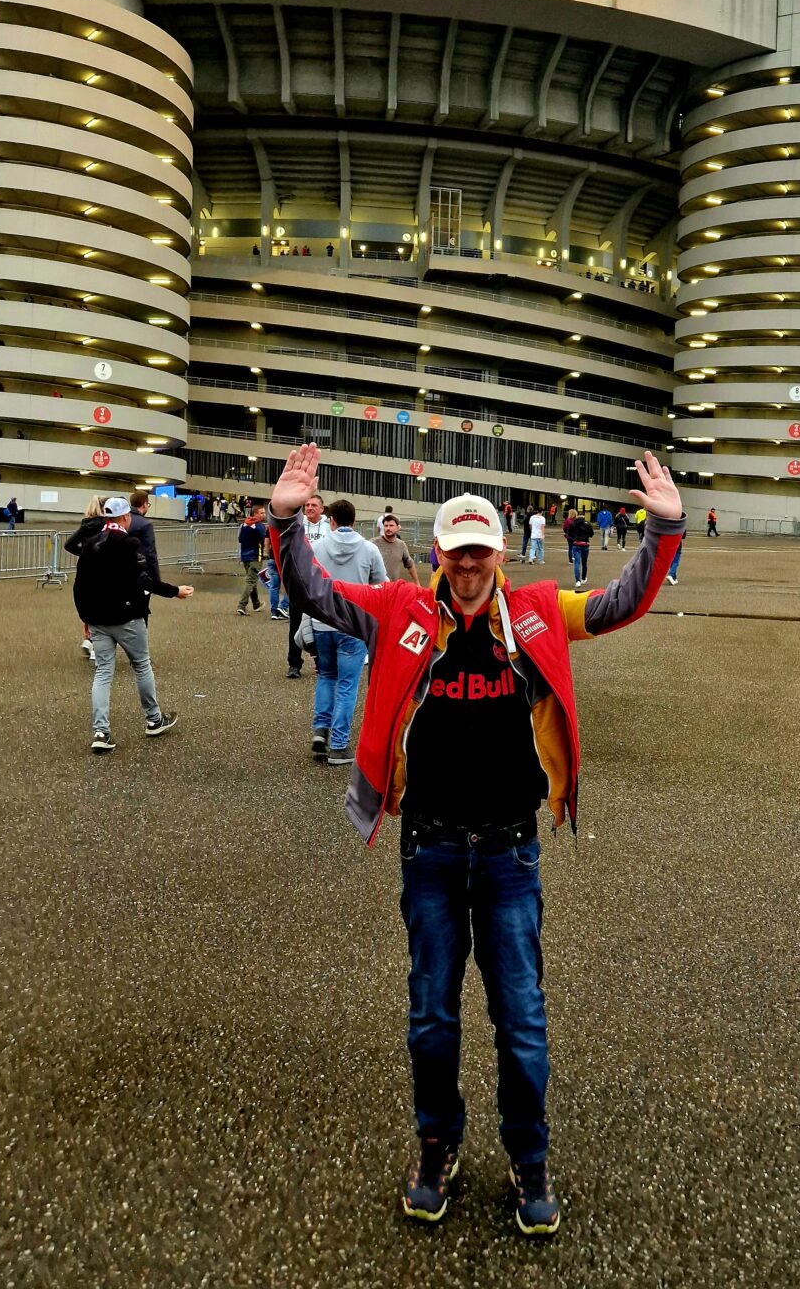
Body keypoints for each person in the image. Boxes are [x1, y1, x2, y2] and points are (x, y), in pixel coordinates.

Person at [267, 444, 686, 1237]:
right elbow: (310, 590)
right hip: (427, 847)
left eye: (480, 553)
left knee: (521, 1017)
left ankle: (529, 1157)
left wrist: (663, 532)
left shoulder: (534, 612)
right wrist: (287, 519)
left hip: (509, 852)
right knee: (431, 1016)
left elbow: (618, 603)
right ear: (440, 554)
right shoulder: (400, 611)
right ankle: (438, 1147)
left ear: (498, 553)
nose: (467, 566)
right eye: (456, 553)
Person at [72, 495, 192, 752]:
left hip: (97, 618)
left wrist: (85, 616)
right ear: (126, 517)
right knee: (141, 665)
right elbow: (143, 580)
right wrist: (175, 591)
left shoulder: (91, 544)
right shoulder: (129, 543)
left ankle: (101, 732)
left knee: (103, 672)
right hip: (127, 617)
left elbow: (79, 584)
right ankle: (153, 719)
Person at [302, 498, 386, 764]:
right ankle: (339, 746)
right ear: (354, 521)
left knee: (326, 676)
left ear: (332, 520)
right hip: (353, 624)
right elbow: (382, 586)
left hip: (321, 622)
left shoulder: (315, 547)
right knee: (348, 685)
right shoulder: (369, 549)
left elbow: (306, 584)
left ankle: (320, 732)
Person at [286, 492, 328, 679]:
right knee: (295, 624)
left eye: (313, 505)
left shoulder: (329, 527)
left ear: (322, 508)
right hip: (298, 582)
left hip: (320, 583)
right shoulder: (298, 525)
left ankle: (321, 661)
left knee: (320, 624)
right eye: (307, 505)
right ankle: (294, 664)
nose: (309, 508)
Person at [66, 493, 108, 659]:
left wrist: (84, 553)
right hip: (103, 570)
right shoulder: (107, 526)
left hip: (85, 571)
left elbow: (69, 544)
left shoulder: (86, 525)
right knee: (103, 605)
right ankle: (95, 646)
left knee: (88, 604)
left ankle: (89, 638)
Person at [236, 504, 268, 616]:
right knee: (251, 581)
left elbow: (240, 539)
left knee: (252, 580)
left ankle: (256, 603)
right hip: (255, 557)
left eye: (264, 512)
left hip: (245, 556)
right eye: (261, 513)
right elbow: (263, 540)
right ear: (255, 514)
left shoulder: (245, 524)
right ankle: (241, 605)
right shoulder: (260, 527)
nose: (264, 515)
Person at [372, 513, 419, 584]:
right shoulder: (373, 543)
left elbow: (410, 564)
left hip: (392, 588)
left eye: (391, 525)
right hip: (376, 588)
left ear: (397, 528)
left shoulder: (401, 545)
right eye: (386, 526)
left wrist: (417, 582)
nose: (388, 528)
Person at [128, 490, 161, 586]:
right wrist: (156, 580)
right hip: (140, 571)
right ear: (145, 504)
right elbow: (150, 553)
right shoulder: (145, 524)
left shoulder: (123, 519)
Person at [568, 509, 592, 590]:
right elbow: (591, 534)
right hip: (585, 544)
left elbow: (569, 533)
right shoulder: (587, 524)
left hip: (576, 544)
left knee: (576, 563)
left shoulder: (573, 523)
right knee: (584, 562)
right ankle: (583, 578)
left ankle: (577, 581)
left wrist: (574, 538)